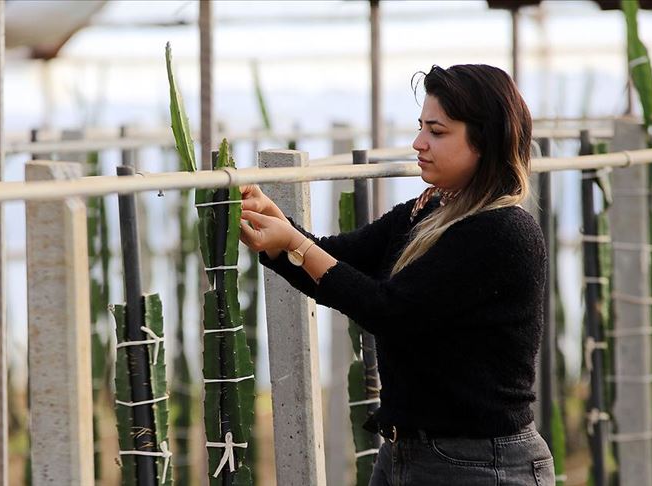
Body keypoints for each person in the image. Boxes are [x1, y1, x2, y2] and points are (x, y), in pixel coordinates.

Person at [238, 64, 555, 486]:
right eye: (421, 127)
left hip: (481, 464)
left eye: (437, 132)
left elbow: (390, 310)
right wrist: (279, 228)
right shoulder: (424, 212)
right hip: (407, 453)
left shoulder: (504, 232)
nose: (418, 142)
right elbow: (338, 257)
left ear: (485, 140)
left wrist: (294, 244)